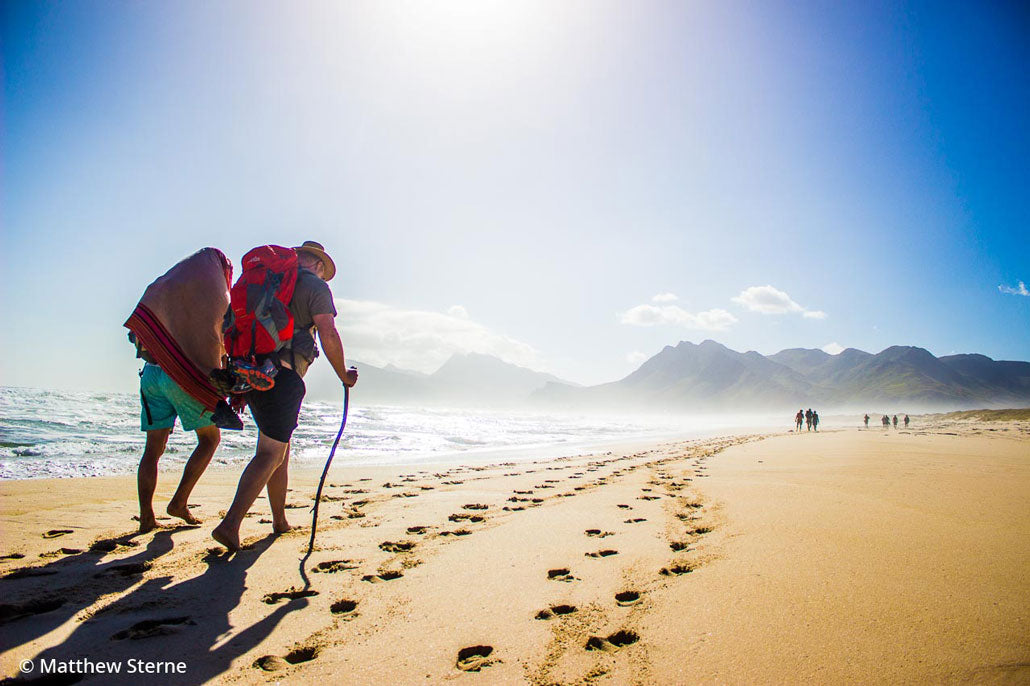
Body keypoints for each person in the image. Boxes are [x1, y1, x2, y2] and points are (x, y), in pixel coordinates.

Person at [213, 241, 358, 552]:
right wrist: (343, 375)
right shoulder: (314, 286)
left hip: (250, 374)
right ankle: (230, 524)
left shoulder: (270, 283)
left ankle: (279, 520)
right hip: (282, 377)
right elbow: (328, 331)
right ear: (319, 265)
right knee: (270, 454)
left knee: (279, 448)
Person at [126, 247, 236, 533]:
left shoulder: (166, 284)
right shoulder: (214, 294)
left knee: (153, 450)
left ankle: (146, 517)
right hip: (183, 375)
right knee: (210, 440)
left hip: (151, 372)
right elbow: (218, 335)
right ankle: (179, 502)